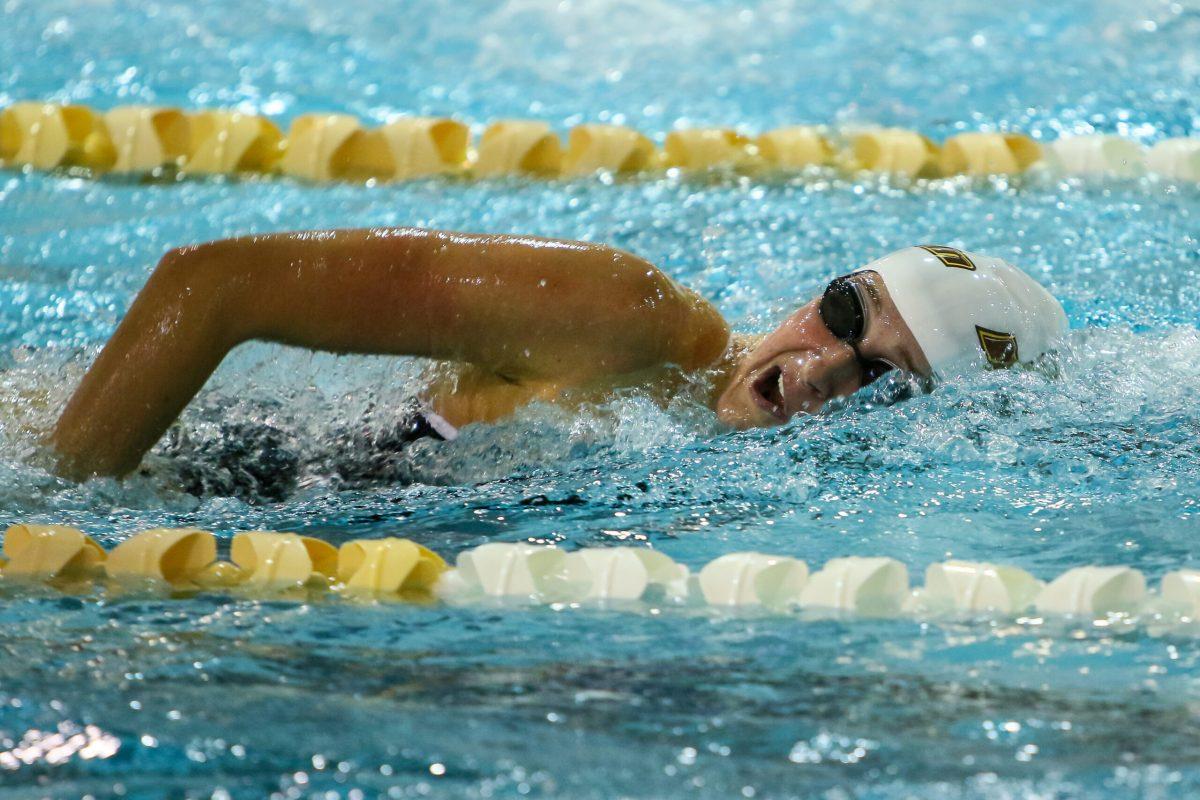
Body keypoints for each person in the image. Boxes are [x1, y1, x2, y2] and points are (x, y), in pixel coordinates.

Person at [48, 229, 1067, 480]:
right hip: (153, 451)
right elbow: (209, 287)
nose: (819, 370)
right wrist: (60, 504)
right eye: (847, 312)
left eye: (884, 384)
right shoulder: (624, 315)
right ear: (823, 282)